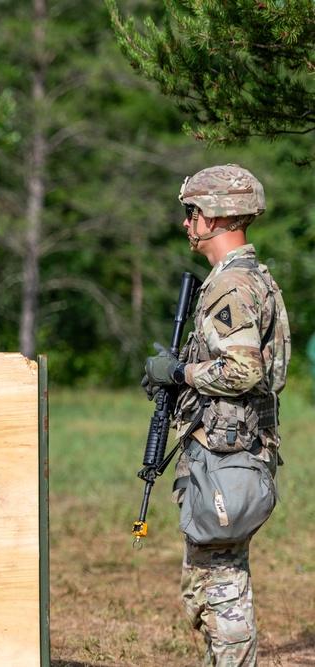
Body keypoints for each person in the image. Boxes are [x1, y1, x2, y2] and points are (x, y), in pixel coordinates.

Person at [143, 164, 291, 667]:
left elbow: (242, 369)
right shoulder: (248, 279)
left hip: (227, 456)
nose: (187, 224)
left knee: (221, 588)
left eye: (191, 213)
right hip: (230, 455)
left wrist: (180, 372)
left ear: (213, 216)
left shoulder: (232, 286)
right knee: (210, 582)